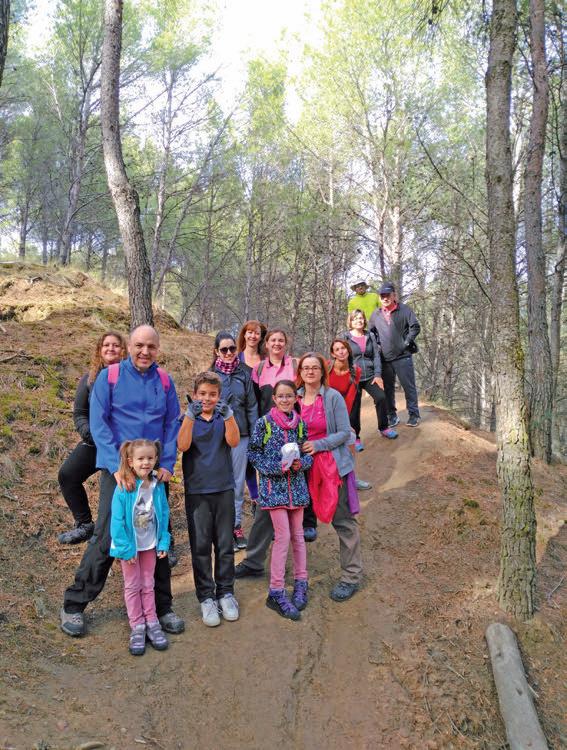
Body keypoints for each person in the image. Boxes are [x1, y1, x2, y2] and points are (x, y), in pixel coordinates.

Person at [60, 325, 184, 638]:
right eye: (139, 345)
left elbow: (172, 424)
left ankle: (162, 607)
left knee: (156, 536)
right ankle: (75, 603)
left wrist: (167, 463)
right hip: (120, 472)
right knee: (106, 535)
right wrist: (116, 465)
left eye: (151, 347)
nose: (145, 352)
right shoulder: (110, 377)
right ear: (129, 346)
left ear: (158, 349)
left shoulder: (164, 381)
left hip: (154, 473)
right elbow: (99, 422)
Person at [297, 353, 363, 602]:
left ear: (322, 371)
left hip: (331, 467)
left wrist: (318, 445)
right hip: (300, 468)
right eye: (306, 367)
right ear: (300, 372)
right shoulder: (294, 397)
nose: (310, 371)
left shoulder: (332, 397)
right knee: (286, 520)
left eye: (315, 367)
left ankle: (351, 577)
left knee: (343, 521)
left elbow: (345, 432)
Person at [178, 371, 241, 627]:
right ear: (194, 395)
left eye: (212, 394)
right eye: (202, 394)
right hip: (197, 491)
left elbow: (234, 441)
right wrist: (189, 417)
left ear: (219, 396)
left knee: (225, 545)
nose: (207, 398)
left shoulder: (222, 416)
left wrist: (229, 416)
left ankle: (225, 593)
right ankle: (206, 596)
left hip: (223, 488)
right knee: (201, 547)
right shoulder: (188, 418)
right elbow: (182, 445)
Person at [248, 380, 313, 621]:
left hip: (297, 489)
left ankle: (301, 582)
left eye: (289, 396)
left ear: (296, 398)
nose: (285, 400)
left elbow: (308, 455)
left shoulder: (300, 424)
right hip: (273, 490)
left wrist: (300, 464)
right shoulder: (264, 423)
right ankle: (276, 590)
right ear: (274, 399)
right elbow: (253, 453)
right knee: (283, 536)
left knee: (298, 536)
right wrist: (276, 467)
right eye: (281, 396)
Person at [57, 331, 127, 544]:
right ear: (99, 350)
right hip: (95, 442)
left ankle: (163, 540)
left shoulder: (129, 377)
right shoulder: (89, 379)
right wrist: (91, 434)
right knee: (68, 475)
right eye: (106, 345)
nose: (111, 348)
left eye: (115, 345)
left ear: (123, 350)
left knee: (139, 486)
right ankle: (85, 524)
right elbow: (80, 413)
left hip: (123, 446)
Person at [110, 439, 170, 656]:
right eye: (141, 459)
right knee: (132, 586)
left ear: (156, 459)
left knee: (148, 583)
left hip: (150, 545)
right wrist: (126, 550)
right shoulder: (123, 487)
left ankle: (152, 621)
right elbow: (116, 521)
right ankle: (137, 625)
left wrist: (163, 541)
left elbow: (164, 514)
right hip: (130, 549)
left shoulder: (157, 485)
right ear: (130, 461)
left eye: (150, 458)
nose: (146, 462)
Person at [212, 331, 258, 551]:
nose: (229, 352)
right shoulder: (211, 376)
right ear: (216, 352)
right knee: (219, 482)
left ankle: (236, 526)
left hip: (241, 436)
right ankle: (221, 528)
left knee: (238, 483)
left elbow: (251, 406)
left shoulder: (244, 375)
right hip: (216, 438)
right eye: (224, 349)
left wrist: (255, 434)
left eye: (232, 348)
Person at [369, 282, 421, 427]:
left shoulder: (404, 309)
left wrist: (406, 342)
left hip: (403, 356)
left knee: (408, 386)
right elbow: (371, 333)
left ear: (394, 296)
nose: (385, 298)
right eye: (382, 296)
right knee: (388, 389)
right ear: (379, 298)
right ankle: (392, 415)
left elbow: (415, 327)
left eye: (388, 295)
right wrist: (376, 346)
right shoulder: (376, 314)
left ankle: (414, 415)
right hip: (385, 358)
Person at [344, 309, 398, 450]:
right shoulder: (345, 337)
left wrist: (378, 374)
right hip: (353, 377)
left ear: (364, 320)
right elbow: (342, 357)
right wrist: (347, 374)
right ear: (351, 321)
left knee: (381, 397)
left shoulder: (370, 335)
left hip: (370, 375)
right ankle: (355, 437)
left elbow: (376, 356)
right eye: (355, 318)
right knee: (354, 407)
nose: (359, 321)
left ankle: (384, 428)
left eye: (361, 318)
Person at [328, 338, 372, 491]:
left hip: (340, 412)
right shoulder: (327, 367)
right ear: (333, 354)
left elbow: (349, 399)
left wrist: (344, 424)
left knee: (350, 437)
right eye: (337, 349)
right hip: (323, 411)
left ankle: (352, 479)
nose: (341, 352)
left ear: (348, 350)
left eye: (343, 348)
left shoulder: (356, 371)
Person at [237, 319, 267, 503]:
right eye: (250, 332)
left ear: (261, 337)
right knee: (248, 455)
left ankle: (266, 493)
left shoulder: (265, 360)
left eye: (257, 333)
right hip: (244, 413)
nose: (253, 336)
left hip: (264, 410)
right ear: (244, 334)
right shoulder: (236, 358)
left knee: (263, 453)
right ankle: (255, 496)